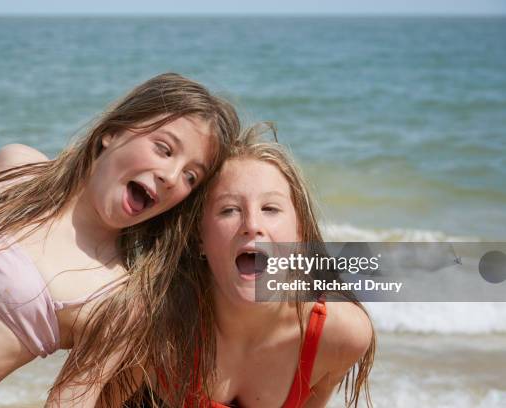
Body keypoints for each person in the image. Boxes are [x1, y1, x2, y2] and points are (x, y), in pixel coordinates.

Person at [0, 73, 241, 407]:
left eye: (190, 176)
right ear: (113, 132)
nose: (170, 176)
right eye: (164, 149)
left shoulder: (116, 295)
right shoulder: (15, 169)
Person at [146, 125, 376, 408]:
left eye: (270, 209)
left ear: (299, 233)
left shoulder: (338, 334)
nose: (252, 225)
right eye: (229, 209)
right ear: (198, 238)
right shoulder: (154, 328)